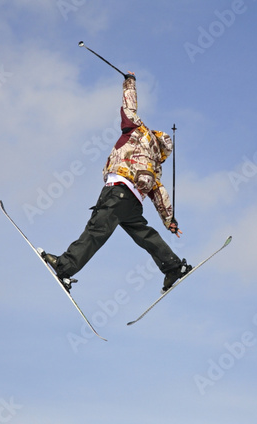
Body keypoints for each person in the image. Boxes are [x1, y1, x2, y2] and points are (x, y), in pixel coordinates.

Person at [43, 72, 191, 293]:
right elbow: (160, 195)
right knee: (145, 235)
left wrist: (129, 82)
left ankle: (65, 267)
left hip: (117, 191)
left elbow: (128, 108)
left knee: (96, 230)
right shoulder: (155, 166)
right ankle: (174, 267)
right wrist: (170, 221)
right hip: (131, 204)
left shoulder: (138, 131)